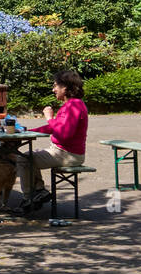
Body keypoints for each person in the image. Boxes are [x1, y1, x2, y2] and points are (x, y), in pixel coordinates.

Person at [12, 69, 88, 214]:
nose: (53, 90)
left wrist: (49, 117)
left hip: (68, 154)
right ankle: (39, 191)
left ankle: (29, 198)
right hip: (63, 151)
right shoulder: (71, 105)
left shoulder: (74, 106)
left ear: (65, 87)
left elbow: (64, 134)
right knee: (29, 156)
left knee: (24, 159)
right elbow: (53, 128)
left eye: (55, 86)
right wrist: (27, 132)